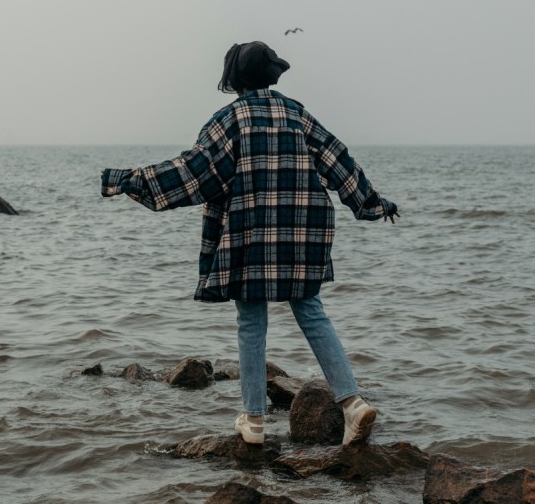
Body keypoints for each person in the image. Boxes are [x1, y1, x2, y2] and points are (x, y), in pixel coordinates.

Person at [100, 41, 398, 446]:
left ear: (236, 79)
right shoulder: (297, 114)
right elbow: (339, 161)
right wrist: (374, 203)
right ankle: (352, 403)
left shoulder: (229, 120)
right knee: (311, 311)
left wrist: (127, 180)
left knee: (251, 320)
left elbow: (192, 173)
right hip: (303, 228)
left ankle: (254, 421)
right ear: (272, 75)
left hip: (249, 231)